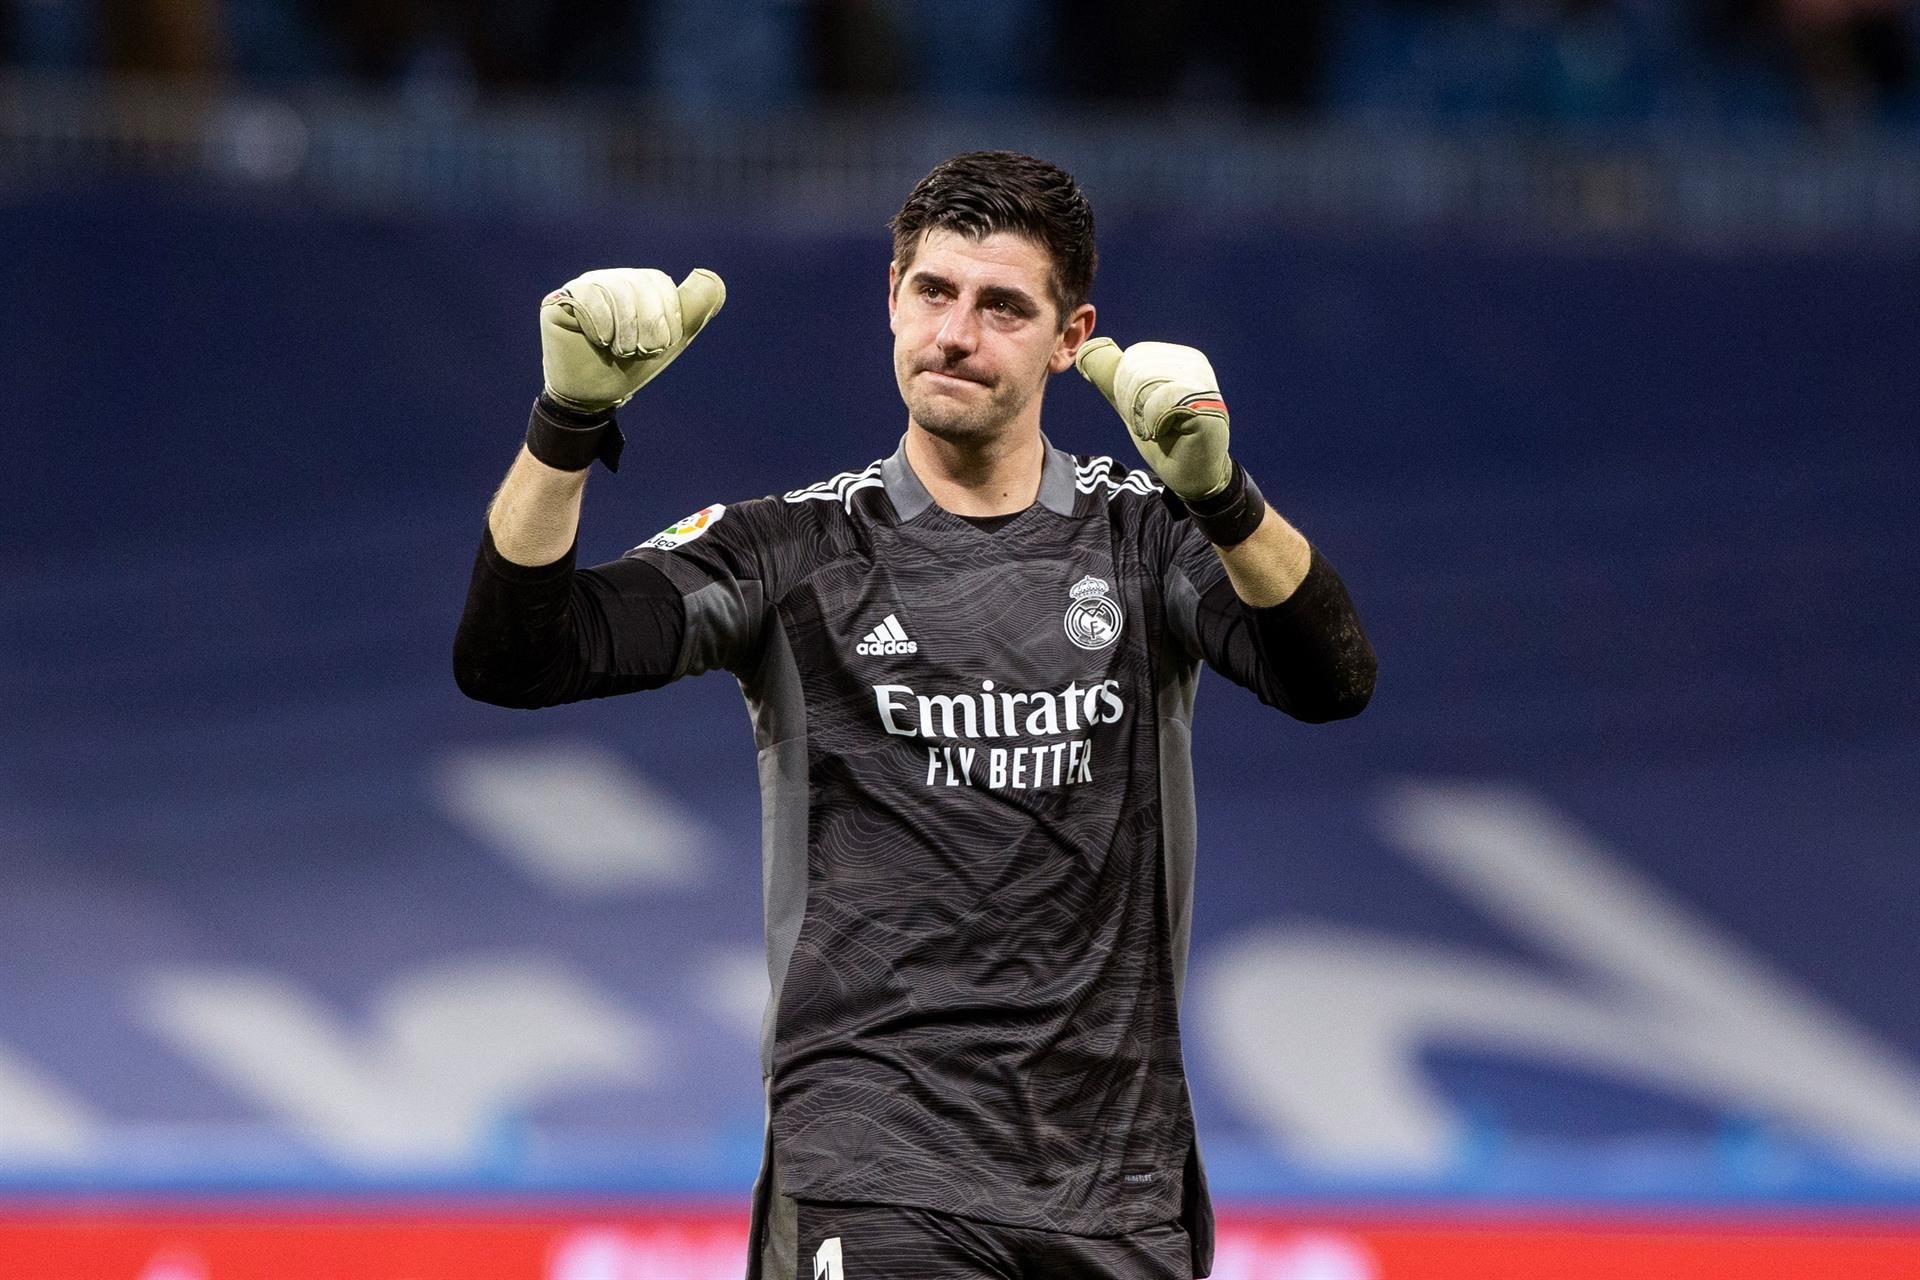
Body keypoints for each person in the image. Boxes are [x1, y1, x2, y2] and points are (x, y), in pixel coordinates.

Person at [454, 150, 1375, 1280]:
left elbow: (1330, 678)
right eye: (933, 292)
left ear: (1071, 336)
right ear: (891, 298)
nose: (955, 332)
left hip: (1116, 1186)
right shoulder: (792, 550)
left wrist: (1221, 495)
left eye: (1002, 306)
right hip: (875, 1166)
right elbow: (515, 655)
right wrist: (567, 422)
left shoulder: (1145, 538)